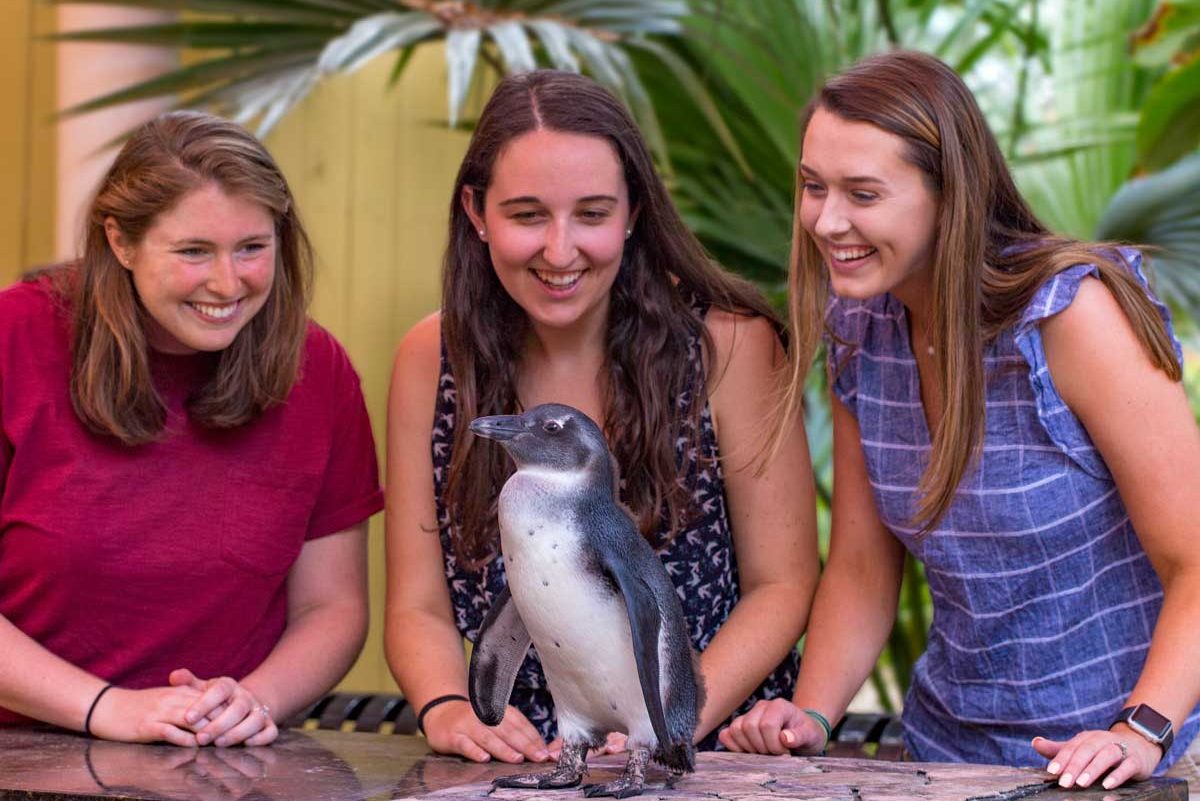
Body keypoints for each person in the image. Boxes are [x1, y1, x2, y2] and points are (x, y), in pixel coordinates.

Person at [718, 50, 1200, 790]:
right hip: (947, 753)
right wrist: (810, 716)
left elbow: (1195, 559)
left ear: (949, 195)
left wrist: (1139, 729)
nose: (826, 219)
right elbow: (860, 564)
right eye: (813, 187)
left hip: (1130, 756)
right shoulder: (861, 327)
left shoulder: (1070, 317)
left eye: (863, 193)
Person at [385, 70, 819, 764]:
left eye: (591, 213)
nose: (561, 251)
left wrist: (666, 719)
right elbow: (418, 604)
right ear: (476, 211)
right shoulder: (433, 359)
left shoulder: (729, 345)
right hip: (520, 756)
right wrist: (450, 709)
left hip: (704, 748)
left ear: (634, 211)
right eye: (527, 215)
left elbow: (783, 584)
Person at [0, 111, 383, 748]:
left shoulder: (319, 370)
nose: (227, 283)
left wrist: (255, 702)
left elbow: (332, 608)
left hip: (224, 762)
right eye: (193, 252)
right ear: (120, 242)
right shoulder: (14, 336)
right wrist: (108, 709)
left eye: (252, 248)